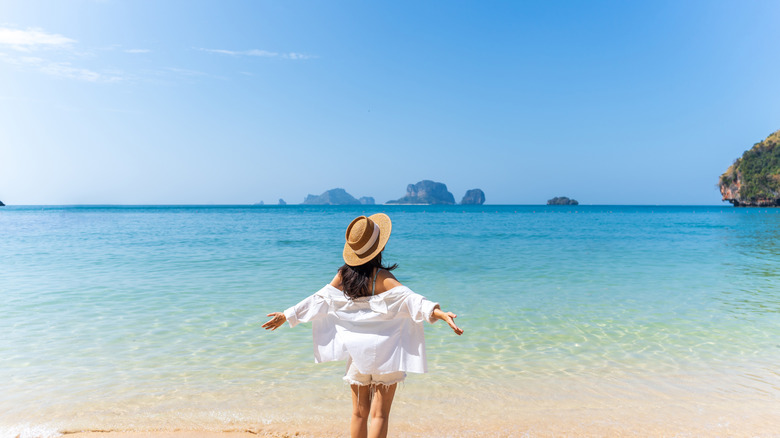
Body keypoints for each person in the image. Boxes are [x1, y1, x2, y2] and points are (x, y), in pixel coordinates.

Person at [263, 213, 463, 438]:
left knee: (359, 413)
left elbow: (319, 299)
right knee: (380, 415)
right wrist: (441, 314)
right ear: (379, 248)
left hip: (358, 353)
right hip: (388, 353)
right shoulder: (382, 276)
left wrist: (288, 315)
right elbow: (412, 300)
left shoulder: (343, 275)